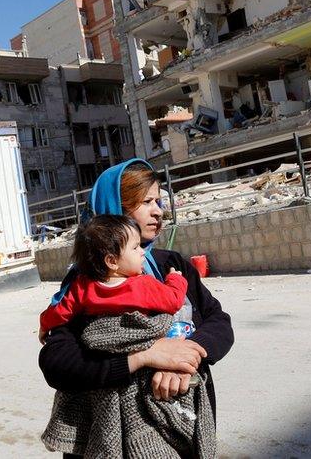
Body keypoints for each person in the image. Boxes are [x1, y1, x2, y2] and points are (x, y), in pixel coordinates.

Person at [39, 159, 234, 456]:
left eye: (158, 200)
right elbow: (58, 365)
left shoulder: (174, 267)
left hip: (182, 428)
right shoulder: (89, 285)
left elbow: (218, 322)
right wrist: (145, 357)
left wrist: (187, 356)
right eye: (145, 202)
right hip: (107, 441)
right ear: (114, 211)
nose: (158, 210)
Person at [38, 214, 188, 344]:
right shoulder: (143, 284)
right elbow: (173, 301)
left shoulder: (82, 286)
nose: (142, 252)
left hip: (101, 343)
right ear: (112, 261)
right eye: (135, 247)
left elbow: (60, 312)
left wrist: (44, 324)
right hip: (139, 341)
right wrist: (175, 279)